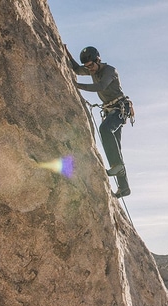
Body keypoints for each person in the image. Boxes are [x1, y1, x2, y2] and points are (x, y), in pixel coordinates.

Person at [65, 45, 131, 198]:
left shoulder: (110, 71)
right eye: (87, 66)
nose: (89, 69)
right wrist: (67, 53)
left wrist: (76, 86)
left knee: (105, 130)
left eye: (91, 65)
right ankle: (124, 187)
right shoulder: (90, 69)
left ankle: (117, 166)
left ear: (98, 60)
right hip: (110, 110)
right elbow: (76, 69)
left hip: (121, 108)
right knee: (115, 147)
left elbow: (100, 86)